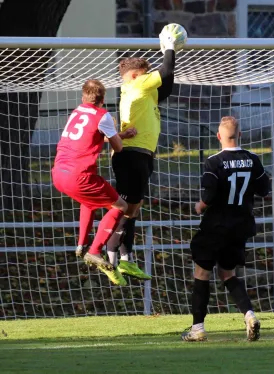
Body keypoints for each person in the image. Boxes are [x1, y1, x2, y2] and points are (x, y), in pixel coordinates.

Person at [103, 25, 184, 280]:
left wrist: (169, 52)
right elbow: (167, 70)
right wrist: (169, 46)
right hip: (132, 155)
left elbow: (167, 87)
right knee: (126, 207)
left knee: (133, 208)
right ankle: (110, 253)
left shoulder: (141, 93)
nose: (151, 77)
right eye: (147, 73)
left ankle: (125, 258)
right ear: (137, 75)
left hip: (141, 155)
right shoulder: (138, 86)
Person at [182, 116, 270, 342]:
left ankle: (198, 328)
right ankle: (249, 315)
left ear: (219, 136)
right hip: (240, 227)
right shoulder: (252, 159)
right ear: (239, 135)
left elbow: (208, 196)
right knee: (228, 273)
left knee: (202, 273)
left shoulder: (214, 162)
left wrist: (199, 206)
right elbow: (264, 190)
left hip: (216, 226)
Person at [52, 79, 136, 285]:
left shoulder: (77, 112)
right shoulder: (103, 115)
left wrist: (119, 134)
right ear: (102, 99)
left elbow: (90, 135)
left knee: (89, 202)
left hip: (58, 173)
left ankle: (81, 245)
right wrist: (120, 138)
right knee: (122, 207)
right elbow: (118, 147)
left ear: (84, 96)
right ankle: (95, 250)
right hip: (80, 176)